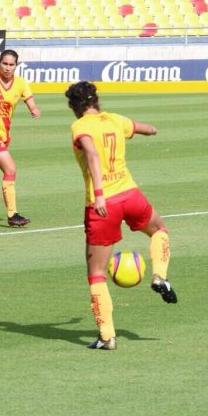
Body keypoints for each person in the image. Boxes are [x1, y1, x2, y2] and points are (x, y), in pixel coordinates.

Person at [65, 81, 177, 351]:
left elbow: (91, 153)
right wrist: (150, 130)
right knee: (159, 230)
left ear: (73, 106)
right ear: (97, 101)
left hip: (103, 204)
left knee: (96, 275)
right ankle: (159, 274)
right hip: (130, 195)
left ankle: (107, 337)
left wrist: (100, 193)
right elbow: (146, 128)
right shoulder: (115, 120)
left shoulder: (80, 126)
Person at [0, 49, 41, 227]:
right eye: (4, 63)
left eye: (11, 64)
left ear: (16, 66)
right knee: (10, 170)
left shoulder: (20, 83)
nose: (7, 67)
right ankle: (13, 215)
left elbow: (29, 100)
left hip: (3, 135)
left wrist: (33, 109)